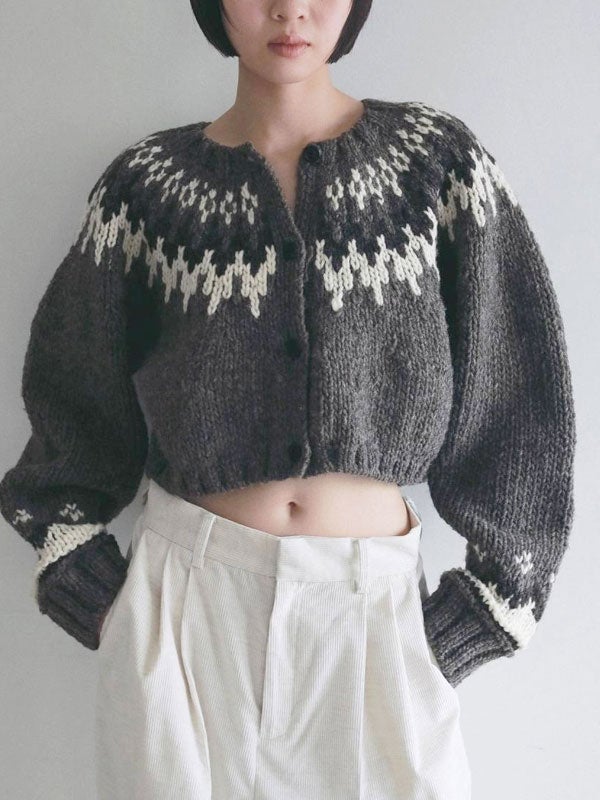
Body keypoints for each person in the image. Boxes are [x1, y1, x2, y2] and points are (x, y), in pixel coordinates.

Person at [0, 1, 576, 798]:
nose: (291, 9)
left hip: (374, 627)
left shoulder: (438, 166)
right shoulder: (146, 191)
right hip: (183, 620)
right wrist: (95, 591)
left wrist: (483, 613)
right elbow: (72, 406)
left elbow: (521, 407)